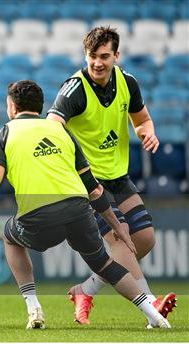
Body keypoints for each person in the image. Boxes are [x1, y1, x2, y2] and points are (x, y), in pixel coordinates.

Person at [0, 80, 171, 330]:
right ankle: (153, 316)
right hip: (79, 211)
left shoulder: (3, 135)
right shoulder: (61, 131)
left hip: (38, 219)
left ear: (11, 106)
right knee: (105, 264)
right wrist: (117, 225)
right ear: (41, 107)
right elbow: (93, 187)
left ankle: (33, 307)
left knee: (9, 236)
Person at [46, 26, 176, 324]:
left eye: (105, 56)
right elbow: (52, 125)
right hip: (88, 182)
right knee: (123, 238)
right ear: (85, 55)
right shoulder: (75, 89)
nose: (98, 63)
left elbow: (142, 119)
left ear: (116, 55)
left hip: (118, 176)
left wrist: (147, 133)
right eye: (92, 56)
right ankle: (151, 303)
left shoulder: (128, 82)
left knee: (144, 239)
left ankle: (85, 289)